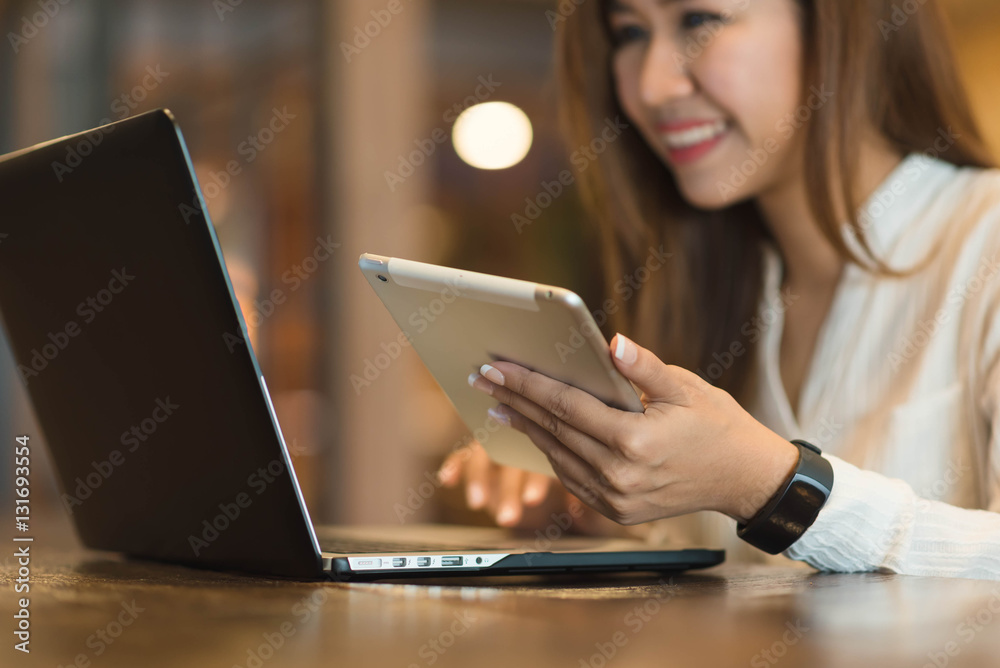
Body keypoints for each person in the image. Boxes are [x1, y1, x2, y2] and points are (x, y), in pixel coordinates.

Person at [439, 0, 1000, 580]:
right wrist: (589, 487)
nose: (653, 87)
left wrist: (771, 485)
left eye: (699, 21)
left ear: (840, 26)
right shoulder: (708, 286)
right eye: (630, 32)